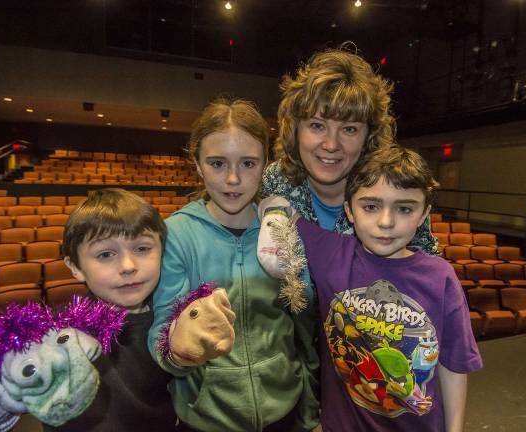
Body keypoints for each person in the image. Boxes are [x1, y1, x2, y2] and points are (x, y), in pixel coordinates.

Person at [259, 145, 482, 431]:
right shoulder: (331, 253)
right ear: (350, 210)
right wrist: (271, 208)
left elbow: (453, 364)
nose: (386, 222)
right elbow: (279, 209)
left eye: (404, 208)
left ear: (424, 212)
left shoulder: (440, 277)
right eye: (371, 206)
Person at [147, 98, 320, 432]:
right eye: (216, 163)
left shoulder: (281, 228)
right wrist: (180, 351)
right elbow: (161, 332)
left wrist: (309, 411)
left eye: (248, 164)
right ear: (197, 164)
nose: (232, 179)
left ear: (264, 164)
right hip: (207, 417)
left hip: (283, 409)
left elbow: (303, 323)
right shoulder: (178, 234)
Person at [0, 188, 179, 432]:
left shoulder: (178, 316)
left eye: (142, 248)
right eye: (105, 254)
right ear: (75, 267)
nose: (128, 266)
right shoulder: (53, 332)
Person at [262, 44, 438, 254]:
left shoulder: (397, 188)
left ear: (369, 136)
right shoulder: (274, 181)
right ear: (296, 129)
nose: (331, 145)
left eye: (349, 129)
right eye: (317, 125)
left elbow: (426, 274)